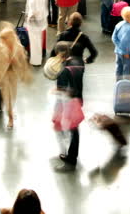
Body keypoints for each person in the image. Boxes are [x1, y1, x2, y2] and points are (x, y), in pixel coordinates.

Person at [51, 42, 84, 172]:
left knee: (72, 131)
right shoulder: (79, 61)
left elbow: (64, 90)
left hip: (68, 104)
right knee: (74, 130)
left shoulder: (63, 70)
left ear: (61, 54)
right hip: (77, 100)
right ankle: (71, 155)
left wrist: (55, 91)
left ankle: (71, 160)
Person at [0, 24, 32, 128]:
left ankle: (10, 109)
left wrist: (16, 64)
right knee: (6, 96)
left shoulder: (19, 48)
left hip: (14, 73)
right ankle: (10, 117)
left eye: (5, 38)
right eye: (2, 39)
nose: (3, 41)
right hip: (3, 74)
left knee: (13, 95)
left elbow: (23, 62)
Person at [25, 0, 48, 66]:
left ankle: (35, 60)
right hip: (41, 19)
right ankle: (40, 57)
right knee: (39, 39)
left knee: (34, 41)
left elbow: (31, 7)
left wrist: (29, 16)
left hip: (33, 20)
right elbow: (44, 6)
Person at [112, 6, 130, 81]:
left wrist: (119, 47)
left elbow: (114, 38)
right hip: (126, 52)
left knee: (118, 68)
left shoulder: (119, 24)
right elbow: (126, 41)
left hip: (118, 51)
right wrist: (125, 52)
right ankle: (125, 86)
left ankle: (118, 83)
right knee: (126, 70)